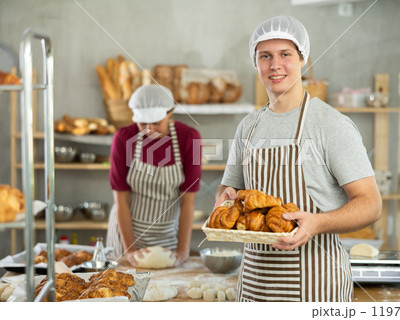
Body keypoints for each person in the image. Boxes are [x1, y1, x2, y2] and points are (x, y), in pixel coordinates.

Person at [215, 16, 382, 302]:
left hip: (316, 286)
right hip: (256, 284)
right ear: (255, 64)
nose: (274, 65)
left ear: (303, 59)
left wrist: (318, 223)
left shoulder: (331, 124)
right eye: (264, 56)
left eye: (285, 55)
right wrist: (225, 198)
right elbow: (228, 188)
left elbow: (371, 204)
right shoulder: (249, 126)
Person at [106, 84, 202, 267]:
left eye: (157, 123)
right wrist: (130, 250)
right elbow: (121, 201)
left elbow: (187, 201)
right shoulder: (124, 138)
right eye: (143, 124)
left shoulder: (189, 138)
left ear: (170, 112)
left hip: (165, 236)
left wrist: (182, 251)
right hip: (125, 236)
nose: (149, 130)